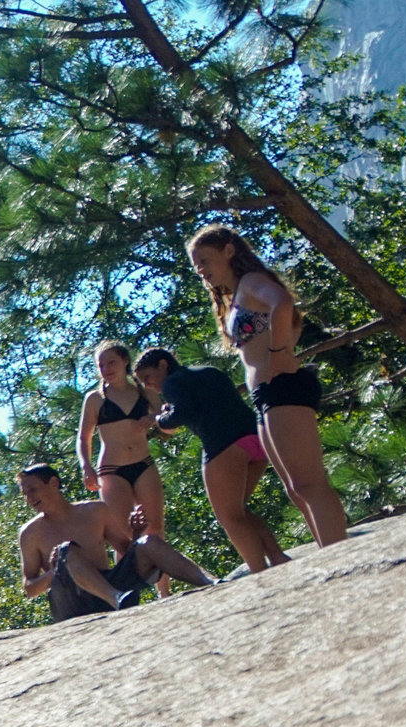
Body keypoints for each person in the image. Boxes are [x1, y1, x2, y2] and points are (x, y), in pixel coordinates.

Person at [185, 224, 349, 552]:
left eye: (204, 260)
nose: (201, 270)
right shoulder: (235, 298)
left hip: (284, 386)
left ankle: (342, 556)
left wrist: (276, 353)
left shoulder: (252, 282)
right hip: (266, 396)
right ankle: (329, 551)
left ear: (229, 251)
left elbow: (283, 303)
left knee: (309, 482)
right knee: (294, 488)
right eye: (196, 266)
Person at [135, 347, 286, 575]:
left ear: (163, 365)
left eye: (147, 377)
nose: (147, 385)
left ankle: (260, 572)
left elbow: (180, 415)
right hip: (256, 440)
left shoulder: (173, 382)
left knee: (229, 517)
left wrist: (158, 419)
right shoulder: (207, 370)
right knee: (238, 510)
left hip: (225, 446)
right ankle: (277, 556)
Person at [14, 462, 215, 622]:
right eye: (24, 494)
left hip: (110, 584)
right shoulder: (30, 533)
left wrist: (136, 534)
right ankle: (116, 599)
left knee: (148, 542)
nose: (28, 498)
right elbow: (30, 588)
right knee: (66, 551)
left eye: (32, 490)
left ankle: (209, 582)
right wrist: (55, 570)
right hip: (73, 601)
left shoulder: (95, 511)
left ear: (54, 483)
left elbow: (129, 553)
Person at [77, 339, 166, 542]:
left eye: (111, 362)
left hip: (144, 463)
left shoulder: (145, 392)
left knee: (156, 529)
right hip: (111, 470)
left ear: (125, 361)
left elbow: (170, 425)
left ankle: (163, 575)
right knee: (128, 535)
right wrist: (86, 467)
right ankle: (132, 573)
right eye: (101, 365)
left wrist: (153, 418)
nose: (106, 369)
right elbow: (83, 437)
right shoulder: (95, 399)